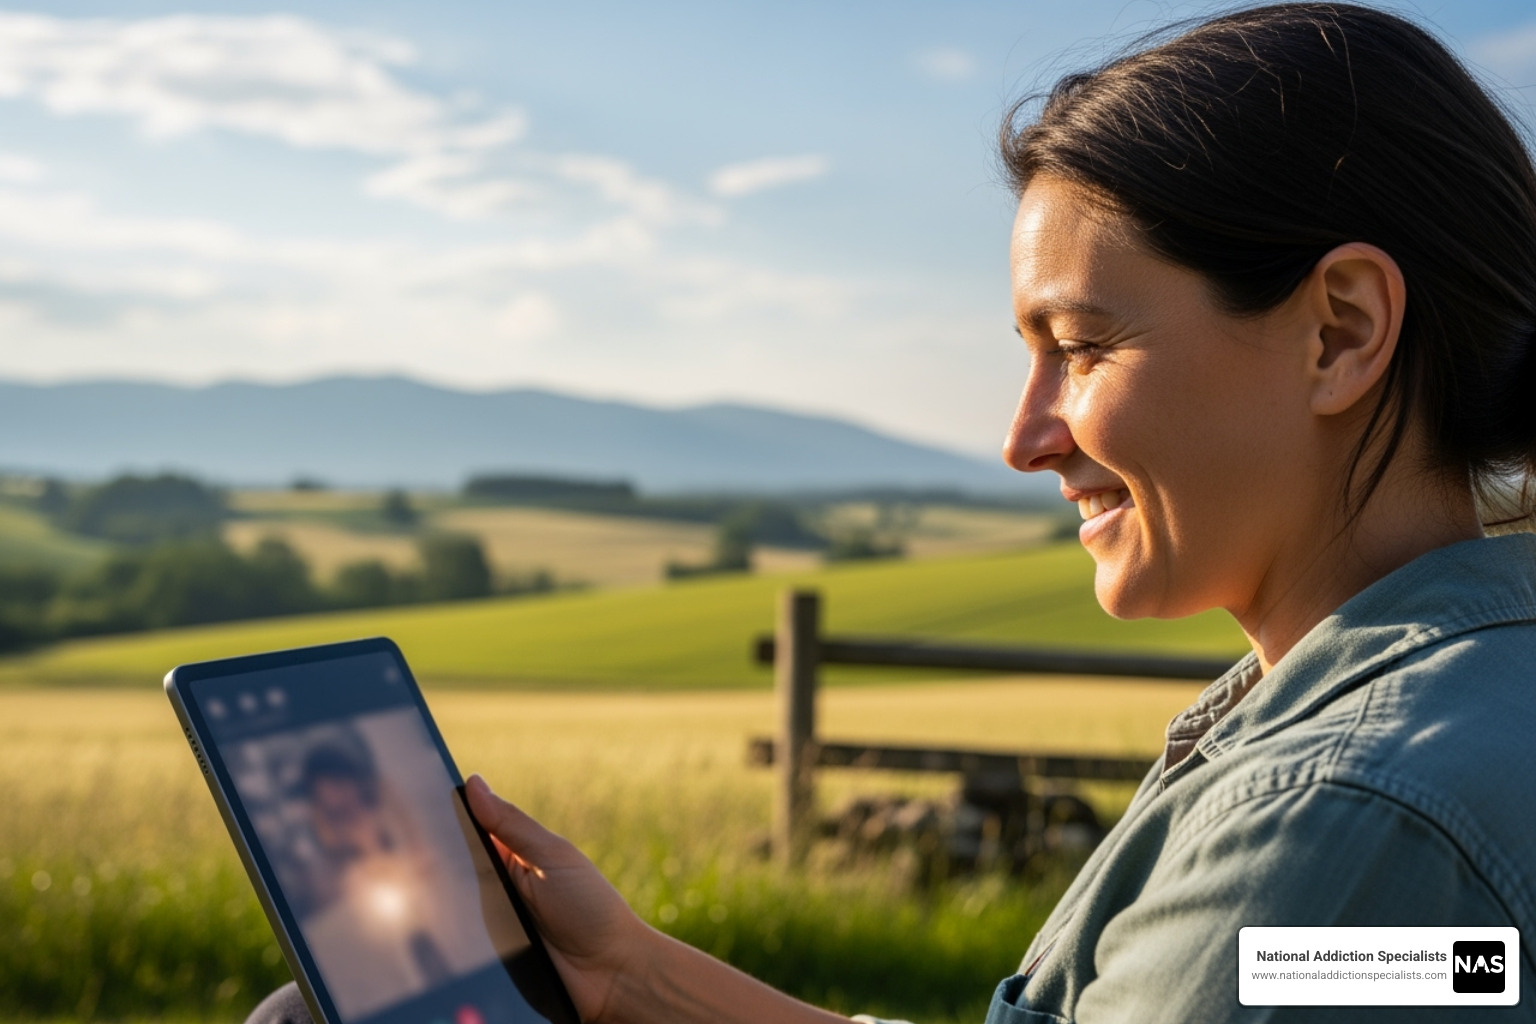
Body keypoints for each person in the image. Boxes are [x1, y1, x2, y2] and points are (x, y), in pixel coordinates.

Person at [251, 3, 1536, 1021]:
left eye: (1081, 346)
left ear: (1340, 330)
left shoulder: (1335, 829)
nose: (1025, 436)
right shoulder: (1449, 739)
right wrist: (634, 980)